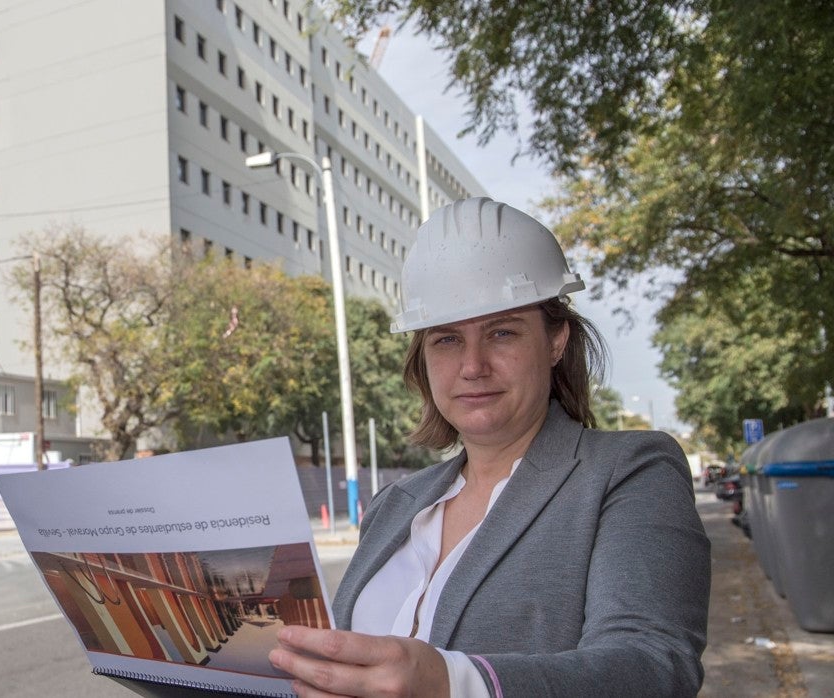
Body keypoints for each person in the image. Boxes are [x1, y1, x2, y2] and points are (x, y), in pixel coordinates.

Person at [268, 197, 710, 697]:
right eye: (447, 339)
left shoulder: (627, 471)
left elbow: (653, 666)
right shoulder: (395, 506)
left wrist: (456, 684)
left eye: (502, 332)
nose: (473, 365)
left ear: (556, 341)